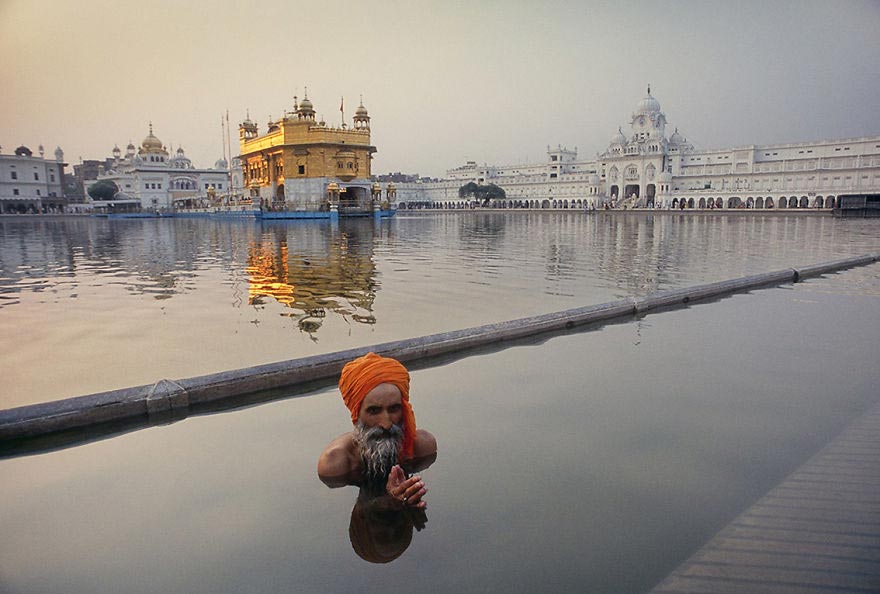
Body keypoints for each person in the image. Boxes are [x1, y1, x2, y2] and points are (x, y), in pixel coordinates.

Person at [318, 352, 437, 508]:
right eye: (374, 411)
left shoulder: (423, 447)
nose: (386, 424)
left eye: (394, 409)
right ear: (356, 414)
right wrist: (390, 500)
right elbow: (335, 515)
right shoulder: (336, 463)